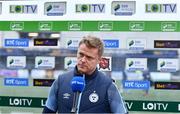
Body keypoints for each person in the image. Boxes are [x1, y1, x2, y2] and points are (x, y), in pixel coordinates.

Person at [43, 36, 128, 114]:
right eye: (81, 54)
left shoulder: (108, 86)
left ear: (99, 60)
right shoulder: (60, 81)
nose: (83, 60)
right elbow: (48, 111)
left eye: (89, 57)